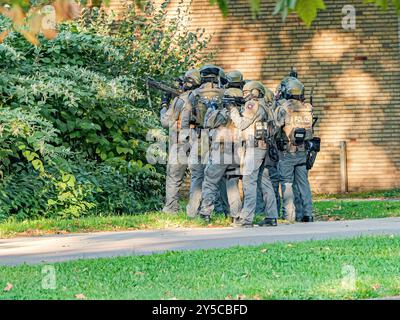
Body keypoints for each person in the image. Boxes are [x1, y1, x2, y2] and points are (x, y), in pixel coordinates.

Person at [181, 64, 227, 218]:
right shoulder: (224, 93)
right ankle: (222, 211)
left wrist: (186, 142)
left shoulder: (194, 95)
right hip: (219, 140)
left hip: (199, 138)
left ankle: (192, 212)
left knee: (197, 176)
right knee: (218, 177)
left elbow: (185, 122)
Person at [230, 81, 278, 228]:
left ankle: (246, 219)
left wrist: (232, 110)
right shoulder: (265, 104)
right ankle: (271, 216)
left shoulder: (252, 104)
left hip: (253, 149)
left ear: (255, 91)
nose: (244, 95)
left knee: (249, 182)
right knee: (264, 182)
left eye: (246, 92)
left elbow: (241, 124)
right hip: (262, 147)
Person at [197, 86, 244, 223]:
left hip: (221, 153)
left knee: (210, 182)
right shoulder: (242, 114)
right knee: (232, 185)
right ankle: (235, 215)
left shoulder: (221, 113)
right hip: (236, 154)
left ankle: (205, 214)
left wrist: (211, 108)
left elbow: (207, 123)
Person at [160, 69, 201, 214]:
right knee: (198, 177)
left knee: (174, 177)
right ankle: (194, 211)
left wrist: (164, 105)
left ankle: (171, 209)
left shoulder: (181, 99)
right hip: (200, 142)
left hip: (180, 143)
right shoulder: (202, 98)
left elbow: (166, 122)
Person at [274, 76, 314, 222]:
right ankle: (308, 214)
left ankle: (289, 215)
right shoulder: (307, 108)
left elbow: (275, 127)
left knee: (287, 183)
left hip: (287, 152)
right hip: (303, 152)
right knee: (304, 184)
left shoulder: (283, 108)